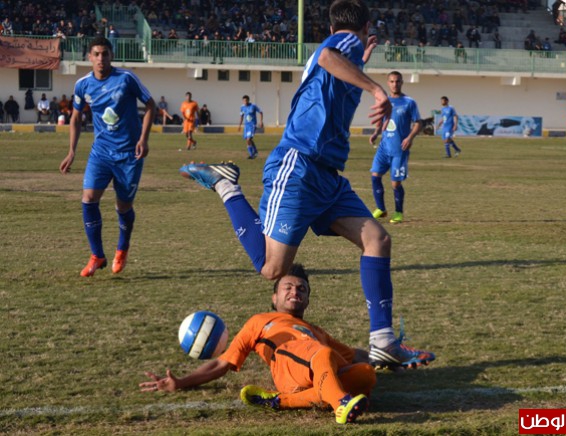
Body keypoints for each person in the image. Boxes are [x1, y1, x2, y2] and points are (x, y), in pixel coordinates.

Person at [179, 0, 435, 371]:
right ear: (363, 28)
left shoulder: (348, 52)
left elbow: (333, 68)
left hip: (327, 176)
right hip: (299, 166)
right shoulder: (343, 42)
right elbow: (330, 56)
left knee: (377, 240)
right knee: (272, 269)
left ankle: (383, 342)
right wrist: (377, 90)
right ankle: (225, 186)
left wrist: (361, 63)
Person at [139, 264, 376, 424]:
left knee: (366, 374)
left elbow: (354, 355)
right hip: (290, 367)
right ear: (274, 298)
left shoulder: (317, 331)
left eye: (301, 289)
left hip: (317, 370)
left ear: (307, 300)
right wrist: (181, 382)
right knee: (322, 354)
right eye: (288, 287)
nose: (295, 291)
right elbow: (222, 363)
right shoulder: (260, 321)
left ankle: (280, 401)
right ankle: (341, 403)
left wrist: (383, 356)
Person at [59, 36, 155, 277]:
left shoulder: (126, 78)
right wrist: (72, 151)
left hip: (129, 154)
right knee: (88, 198)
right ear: (89, 57)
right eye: (96, 54)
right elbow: (75, 118)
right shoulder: (82, 85)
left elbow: (150, 105)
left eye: (105, 54)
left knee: (123, 206)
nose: (101, 58)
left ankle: (122, 248)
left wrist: (143, 139)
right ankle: (97, 255)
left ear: (111, 56)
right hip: (100, 152)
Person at [369, 71, 422, 225]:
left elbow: (418, 123)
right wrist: (376, 133)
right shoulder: (384, 101)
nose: (395, 84)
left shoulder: (409, 102)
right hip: (384, 147)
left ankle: (398, 212)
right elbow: (381, 120)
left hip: (400, 149)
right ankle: (381, 208)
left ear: (402, 82)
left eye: (397, 81)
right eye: (392, 81)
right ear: (388, 83)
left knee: (395, 184)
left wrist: (409, 138)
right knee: (375, 176)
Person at [238, 95, 263, 159]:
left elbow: (260, 112)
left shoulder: (253, 106)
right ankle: (255, 151)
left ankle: (252, 155)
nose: (245, 102)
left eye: (246, 100)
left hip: (252, 125)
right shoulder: (242, 107)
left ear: (248, 100)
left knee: (248, 139)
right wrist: (239, 125)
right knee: (249, 139)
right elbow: (241, 116)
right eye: (244, 101)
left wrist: (261, 122)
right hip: (246, 125)